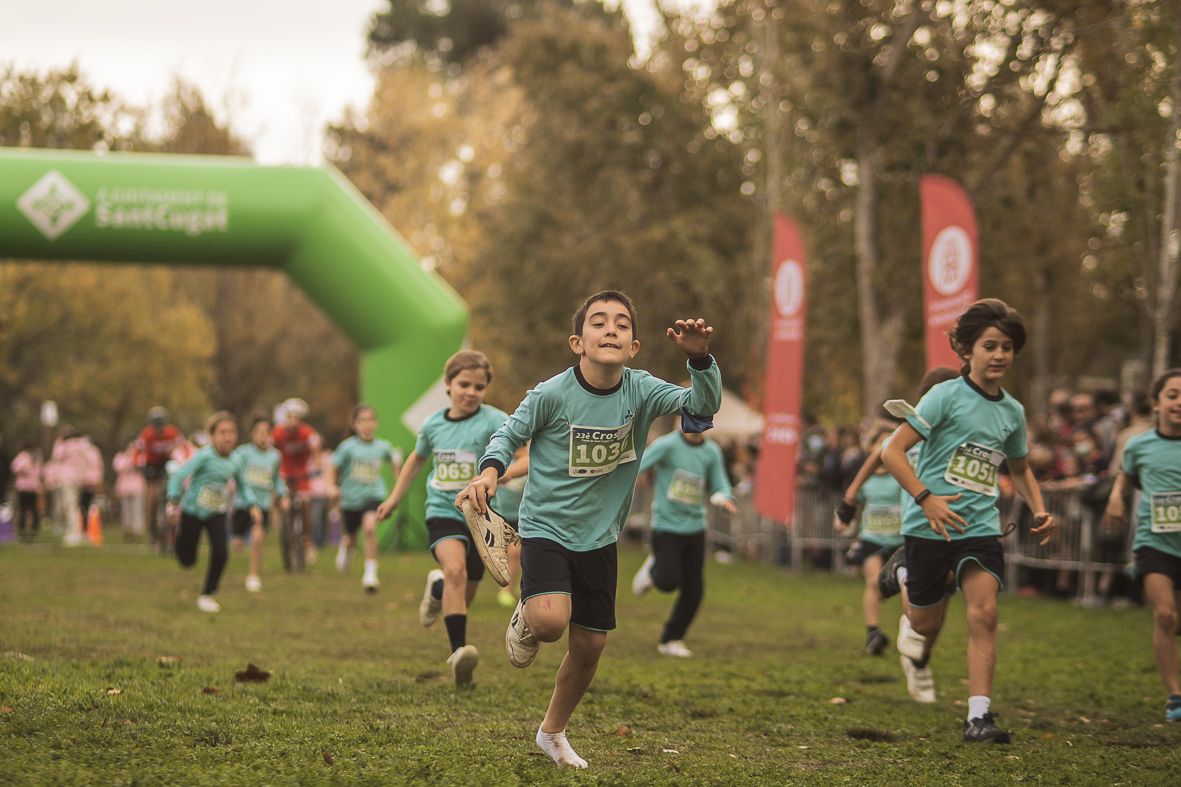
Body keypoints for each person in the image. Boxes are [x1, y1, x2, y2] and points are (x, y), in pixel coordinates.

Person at [458, 291, 721, 769]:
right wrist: (490, 471)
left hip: (601, 537)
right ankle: (528, 614)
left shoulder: (641, 390)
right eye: (599, 323)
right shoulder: (551, 394)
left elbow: (700, 410)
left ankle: (552, 732)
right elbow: (509, 435)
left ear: (634, 346)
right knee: (551, 623)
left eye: (622, 324)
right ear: (577, 342)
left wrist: (700, 358)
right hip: (545, 527)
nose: (611, 329)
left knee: (591, 645)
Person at [878, 299, 1056, 744]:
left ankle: (979, 717)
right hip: (929, 526)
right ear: (967, 351)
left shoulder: (1012, 412)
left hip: (980, 527)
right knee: (925, 625)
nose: (999, 355)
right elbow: (891, 452)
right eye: (990, 346)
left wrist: (1039, 509)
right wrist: (927, 499)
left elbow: (1020, 469)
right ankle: (903, 569)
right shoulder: (943, 396)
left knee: (985, 613)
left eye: (1007, 347)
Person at [376, 352, 512, 685]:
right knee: (455, 570)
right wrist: (394, 497)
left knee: (462, 593)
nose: (471, 392)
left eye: (479, 387)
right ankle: (459, 653)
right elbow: (416, 460)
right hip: (442, 510)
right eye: (464, 384)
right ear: (448, 384)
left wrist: (494, 476)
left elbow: (525, 458)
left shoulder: (496, 421)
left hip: (482, 516)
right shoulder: (433, 424)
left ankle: (437, 588)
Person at [836, 367, 959, 662]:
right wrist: (848, 505)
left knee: (940, 597)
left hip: (932, 529)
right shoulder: (911, 433)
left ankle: (920, 655)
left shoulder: (956, 431)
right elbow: (879, 454)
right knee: (873, 582)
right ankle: (873, 630)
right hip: (884, 536)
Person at [1104, 369, 1181, 722]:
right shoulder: (1138, 445)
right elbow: (1125, 474)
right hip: (1154, 542)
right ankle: (1175, 696)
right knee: (1165, 615)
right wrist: (1116, 498)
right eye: (1172, 394)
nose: (1179, 402)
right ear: (1156, 403)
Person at [630, 420, 737, 657]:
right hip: (666, 526)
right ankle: (654, 568)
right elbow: (636, 466)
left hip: (696, 528)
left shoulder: (711, 451)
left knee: (694, 590)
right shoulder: (666, 445)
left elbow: (721, 484)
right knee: (668, 582)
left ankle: (671, 639)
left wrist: (724, 498)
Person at [166, 412, 261, 613]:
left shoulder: (236, 460)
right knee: (187, 561)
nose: (228, 437)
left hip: (217, 512)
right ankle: (177, 535)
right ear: (213, 436)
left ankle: (208, 595)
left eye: (232, 432)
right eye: (223, 432)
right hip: (193, 511)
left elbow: (243, 485)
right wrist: (174, 498)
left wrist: (252, 505)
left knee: (221, 553)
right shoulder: (204, 456)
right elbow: (179, 475)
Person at [329, 405, 401, 595]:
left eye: (370, 420)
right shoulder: (347, 447)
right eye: (362, 421)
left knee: (369, 528)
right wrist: (331, 486)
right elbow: (332, 467)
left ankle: (370, 575)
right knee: (351, 538)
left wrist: (397, 486)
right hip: (350, 499)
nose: (367, 425)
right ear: (354, 424)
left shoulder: (383, 446)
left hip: (373, 496)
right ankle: (346, 549)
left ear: (376, 423)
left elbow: (395, 463)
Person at [231, 414, 289, 593]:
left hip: (262, 506)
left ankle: (254, 575)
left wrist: (283, 495)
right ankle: (238, 541)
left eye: (267, 432)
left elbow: (277, 479)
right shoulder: (242, 453)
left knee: (258, 539)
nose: (264, 436)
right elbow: (232, 472)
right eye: (260, 432)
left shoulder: (275, 456)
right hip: (242, 505)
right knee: (238, 543)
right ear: (252, 434)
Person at [272, 398, 321, 565]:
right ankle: (279, 520)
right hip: (284, 472)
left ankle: (308, 542)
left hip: (302, 473)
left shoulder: (307, 433)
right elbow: (271, 450)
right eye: (290, 417)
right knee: (280, 496)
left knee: (305, 502)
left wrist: (318, 464)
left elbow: (316, 447)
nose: (292, 421)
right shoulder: (278, 432)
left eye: (296, 418)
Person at [136, 407, 185, 550]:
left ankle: (173, 527)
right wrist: (139, 463)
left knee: (173, 491)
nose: (159, 429)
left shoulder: (172, 432)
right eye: (156, 426)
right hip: (152, 465)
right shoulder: (146, 435)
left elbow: (183, 445)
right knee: (152, 497)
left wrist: (179, 456)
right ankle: (151, 526)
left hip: (168, 463)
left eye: (161, 426)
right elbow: (138, 450)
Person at [10, 441, 43, 542]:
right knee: (34, 510)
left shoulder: (23, 456)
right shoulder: (37, 457)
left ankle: (22, 531)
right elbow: (40, 472)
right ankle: (33, 531)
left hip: (23, 487)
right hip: (34, 486)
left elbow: (15, 467)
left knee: (23, 510)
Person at [113, 442, 146, 541]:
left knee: (137, 509)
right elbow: (119, 468)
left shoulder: (141, 457)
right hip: (124, 487)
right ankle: (127, 529)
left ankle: (137, 530)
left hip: (137, 488)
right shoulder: (121, 457)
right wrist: (130, 458)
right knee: (126, 510)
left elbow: (142, 467)